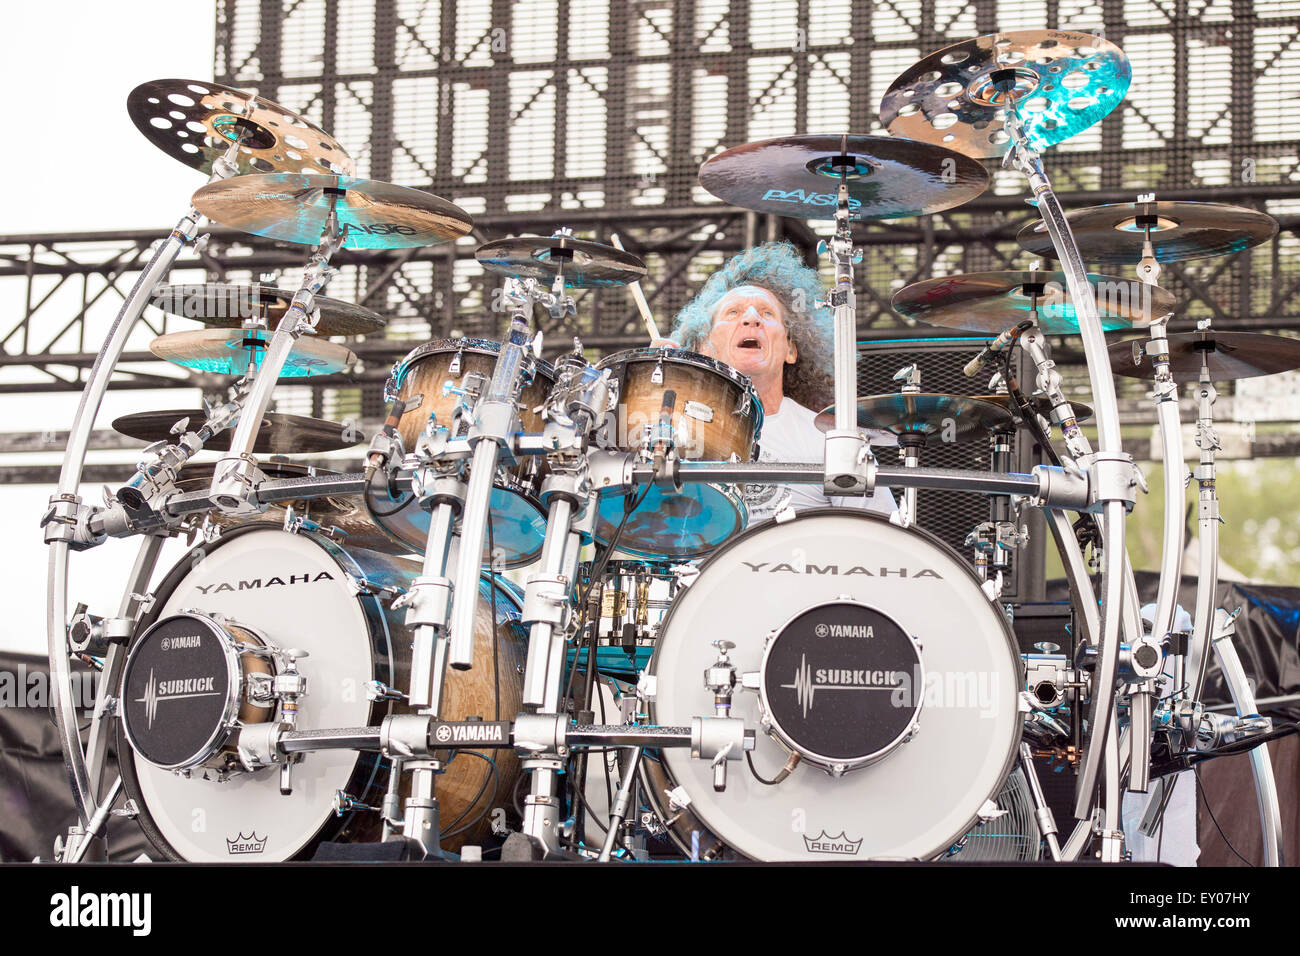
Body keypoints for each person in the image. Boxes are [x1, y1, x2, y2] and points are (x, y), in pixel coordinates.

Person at [657, 241, 896, 522]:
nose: (751, 319)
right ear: (704, 347)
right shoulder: (671, 433)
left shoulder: (833, 439)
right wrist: (655, 400)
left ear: (791, 350)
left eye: (767, 313)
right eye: (733, 313)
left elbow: (881, 540)